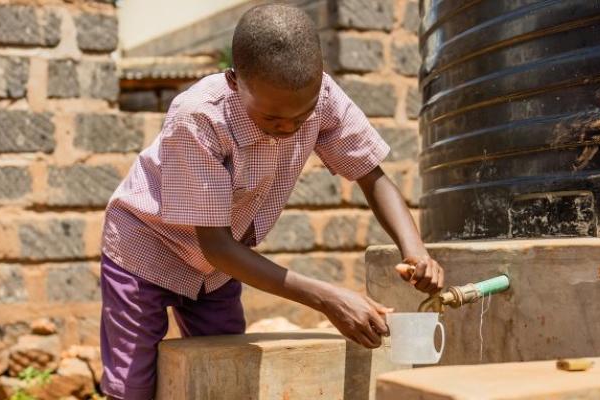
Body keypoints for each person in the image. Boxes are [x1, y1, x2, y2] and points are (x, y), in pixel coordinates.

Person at [99, 4, 444, 399]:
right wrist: (327, 298)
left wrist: (415, 250)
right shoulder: (198, 117)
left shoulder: (324, 97)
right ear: (234, 82)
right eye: (271, 119)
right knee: (132, 385)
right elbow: (216, 245)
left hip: (217, 270)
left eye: (303, 116)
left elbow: (371, 175)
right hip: (146, 249)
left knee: (226, 374)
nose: (289, 128)